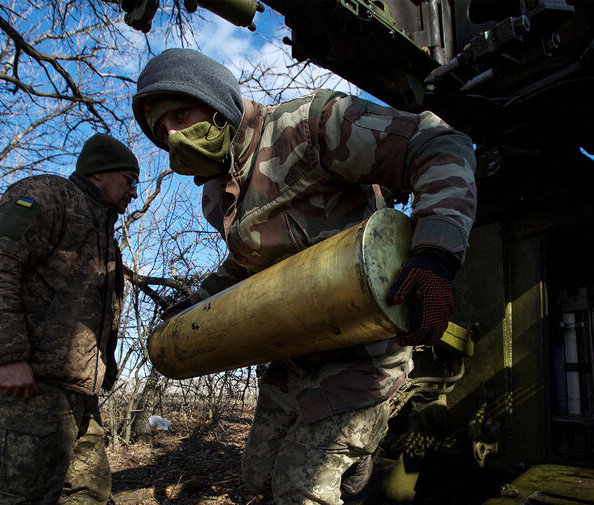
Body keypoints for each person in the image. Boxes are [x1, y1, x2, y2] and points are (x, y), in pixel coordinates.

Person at [132, 48, 476, 505]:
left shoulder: (308, 124)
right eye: (162, 130)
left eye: (180, 113)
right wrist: (196, 302)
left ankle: (358, 439)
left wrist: (435, 255)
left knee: (300, 489)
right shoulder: (217, 196)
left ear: (218, 103)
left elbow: (436, 143)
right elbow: (247, 267)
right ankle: (354, 460)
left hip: (364, 347)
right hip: (295, 352)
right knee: (257, 479)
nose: (173, 134)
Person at [0, 133, 139, 505]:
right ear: (99, 174)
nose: (134, 193)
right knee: (23, 495)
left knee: (88, 493)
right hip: (32, 387)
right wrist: (9, 356)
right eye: (129, 180)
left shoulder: (101, 229)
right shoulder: (48, 196)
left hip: (77, 395)